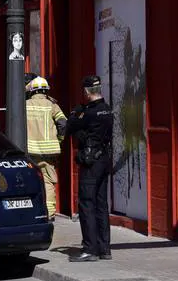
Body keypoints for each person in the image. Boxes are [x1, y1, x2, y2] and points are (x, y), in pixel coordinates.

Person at [66, 75, 114, 262]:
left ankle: (90, 250)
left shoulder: (88, 113)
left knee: (86, 204)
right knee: (101, 205)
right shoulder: (107, 110)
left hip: (90, 161)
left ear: (86, 92)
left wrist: (75, 113)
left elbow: (70, 127)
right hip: (104, 160)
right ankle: (105, 249)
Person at [25, 76, 67, 221]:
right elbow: (63, 124)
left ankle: (32, 212)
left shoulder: (25, 104)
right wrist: (59, 141)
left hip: (30, 151)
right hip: (49, 152)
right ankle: (49, 214)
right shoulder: (52, 105)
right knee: (48, 182)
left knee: (29, 180)